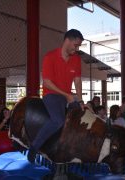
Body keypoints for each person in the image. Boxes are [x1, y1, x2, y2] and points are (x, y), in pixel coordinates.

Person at [27, 29, 84, 163]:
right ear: (67, 41)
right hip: (52, 94)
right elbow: (46, 82)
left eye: (79, 46)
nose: (77, 49)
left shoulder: (76, 59)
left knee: (81, 118)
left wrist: (80, 99)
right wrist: (67, 96)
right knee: (58, 120)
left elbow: (77, 80)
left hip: (68, 96)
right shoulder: (50, 57)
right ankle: (34, 146)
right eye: (76, 45)